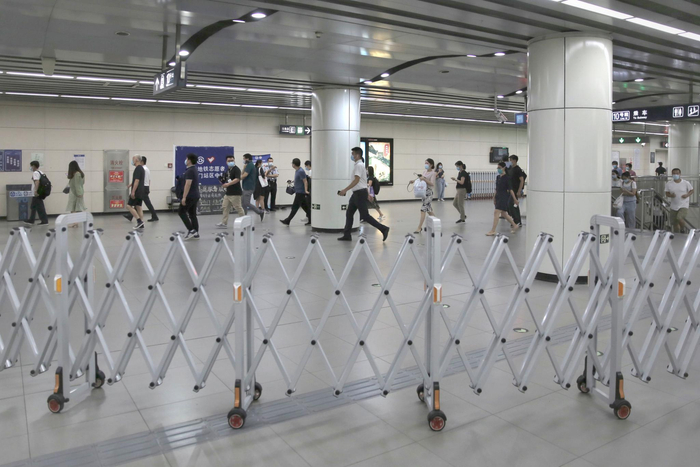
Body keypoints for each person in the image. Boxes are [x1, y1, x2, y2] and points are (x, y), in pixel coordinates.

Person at [337, 147, 389, 242]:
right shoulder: (359, 165)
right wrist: (368, 193)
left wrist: (345, 190)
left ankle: (383, 228)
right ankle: (347, 234)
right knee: (349, 213)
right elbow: (363, 181)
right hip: (357, 193)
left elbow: (356, 180)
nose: (352, 156)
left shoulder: (359, 165)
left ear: (357, 155)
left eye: (353, 154)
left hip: (359, 194)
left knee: (365, 215)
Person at [486, 162, 519, 236]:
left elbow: (510, 189)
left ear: (504, 168)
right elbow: (497, 188)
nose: (498, 169)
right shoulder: (498, 177)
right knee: (504, 213)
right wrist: (494, 197)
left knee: (496, 212)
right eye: (497, 168)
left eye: (499, 168)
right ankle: (515, 225)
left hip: (504, 197)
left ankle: (493, 230)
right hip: (498, 196)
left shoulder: (507, 178)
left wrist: (515, 199)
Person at [124, 155, 158, 222]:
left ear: (141, 161)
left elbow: (137, 180)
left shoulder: (141, 169)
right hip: (145, 187)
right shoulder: (146, 169)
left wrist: (133, 190)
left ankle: (151, 217)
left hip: (141, 187)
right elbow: (148, 180)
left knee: (142, 203)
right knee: (138, 205)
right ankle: (133, 217)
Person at [280, 158, 310, 226]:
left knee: (295, 207)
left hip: (301, 192)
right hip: (298, 191)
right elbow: (299, 179)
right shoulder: (297, 171)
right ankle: (311, 219)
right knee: (305, 207)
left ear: (294, 164)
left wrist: (306, 190)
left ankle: (288, 220)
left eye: (292, 163)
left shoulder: (301, 171)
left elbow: (305, 181)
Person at [215, 155, 243, 228]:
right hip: (228, 193)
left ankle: (244, 222)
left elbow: (237, 179)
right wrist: (222, 181)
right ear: (226, 162)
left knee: (238, 207)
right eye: (229, 161)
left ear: (234, 161)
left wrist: (228, 184)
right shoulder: (228, 170)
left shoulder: (236, 169)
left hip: (235, 193)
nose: (230, 162)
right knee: (225, 207)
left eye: (232, 160)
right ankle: (224, 222)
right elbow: (226, 179)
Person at [665, 168, 695, 233]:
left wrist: (687, 195)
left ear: (680, 174)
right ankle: (677, 234)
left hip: (684, 204)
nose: (675, 175)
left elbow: (692, 190)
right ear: (672, 174)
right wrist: (671, 195)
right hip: (674, 205)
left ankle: (682, 229)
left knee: (679, 217)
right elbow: (667, 193)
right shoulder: (669, 184)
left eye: (677, 173)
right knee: (674, 222)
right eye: (674, 173)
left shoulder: (685, 183)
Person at [179, 153, 201, 239]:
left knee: (181, 211)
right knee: (192, 214)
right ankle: (196, 232)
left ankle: (191, 230)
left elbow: (188, 184)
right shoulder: (193, 169)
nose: (185, 160)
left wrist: (184, 197)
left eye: (186, 159)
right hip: (195, 195)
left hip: (190, 196)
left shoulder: (190, 171)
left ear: (189, 160)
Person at [414, 158, 437, 234]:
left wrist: (424, 179)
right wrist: (413, 181)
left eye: (427, 163)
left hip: (429, 193)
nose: (425, 164)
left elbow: (432, 183)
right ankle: (436, 224)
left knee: (423, 209)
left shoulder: (433, 173)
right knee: (429, 210)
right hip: (423, 192)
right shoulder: (424, 172)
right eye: (425, 163)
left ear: (431, 164)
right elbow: (420, 180)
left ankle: (419, 227)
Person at [240, 153, 265, 222]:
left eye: (244, 158)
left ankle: (259, 212)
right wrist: (244, 168)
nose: (243, 160)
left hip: (249, 187)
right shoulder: (248, 165)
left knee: (246, 203)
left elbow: (245, 175)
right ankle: (244, 216)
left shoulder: (250, 165)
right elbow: (242, 173)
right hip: (246, 186)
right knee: (243, 203)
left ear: (247, 159)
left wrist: (237, 179)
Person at [25, 160, 49, 226]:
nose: (30, 167)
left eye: (31, 166)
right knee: (33, 207)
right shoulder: (41, 172)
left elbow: (37, 182)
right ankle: (31, 220)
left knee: (40, 207)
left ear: (33, 166)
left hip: (36, 193)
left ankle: (44, 221)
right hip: (39, 193)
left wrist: (36, 191)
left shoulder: (35, 173)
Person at [126, 155, 147, 230]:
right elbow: (137, 180)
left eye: (133, 159)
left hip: (137, 191)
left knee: (128, 206)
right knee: (138, 207)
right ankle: (141, 223)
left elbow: (137, 181)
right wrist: (130, 185)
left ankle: (139, 221)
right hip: (141, 191)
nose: (132, 161)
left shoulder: (138, 169)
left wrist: (133, 191)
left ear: (137, 160)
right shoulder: (141, 168)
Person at [66, 160, 85, 228]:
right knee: (75, 208)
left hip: (75, 193)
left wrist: (78, 193)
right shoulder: (81, 173)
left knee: (73, 208)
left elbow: (77, 184)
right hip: (79, 191)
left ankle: (75, 222)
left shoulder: (76, 174)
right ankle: (75, 222)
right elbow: (82, 183)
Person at [507, 155, 524, 227]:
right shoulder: (510, 168)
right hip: (510, 190)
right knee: (511, 205)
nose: (510, 161)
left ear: (514, 160)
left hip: (515, 190)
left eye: (510, 160)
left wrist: (519, 190)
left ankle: (517, 221)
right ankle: (516, 220)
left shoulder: (518, 169)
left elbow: (522, 180)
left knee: (512, 205)